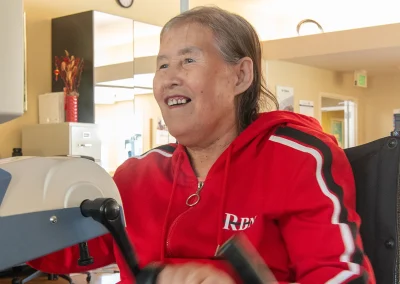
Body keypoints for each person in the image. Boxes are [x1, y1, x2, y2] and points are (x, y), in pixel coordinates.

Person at [28, 6, 375, 284]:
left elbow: (341, 276)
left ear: (240, 76)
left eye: (188, 60)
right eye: (162, 65)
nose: (169, 76)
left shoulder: (298, 158)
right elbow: (71, 250)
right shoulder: (136, 176)